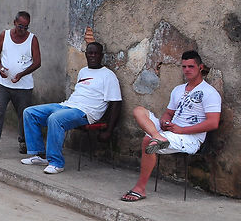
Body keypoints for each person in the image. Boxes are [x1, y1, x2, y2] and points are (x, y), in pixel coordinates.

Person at [120, 50, 221, 202]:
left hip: (190, 138)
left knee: (148, 142)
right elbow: (168, 113)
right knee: (139, 110)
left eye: (191, 66)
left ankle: (140, 189)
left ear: (200, 67)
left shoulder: (209, 92)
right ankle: (157, 136)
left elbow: (213, 123)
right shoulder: (178, 90)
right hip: (169, 131)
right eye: (184, 66)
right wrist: (164, 122)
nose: (187, 70)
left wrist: (182, 130)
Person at [21, 41, 121, 174]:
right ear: (86, 55)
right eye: (90, 53)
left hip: (86, 112)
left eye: (96, 53)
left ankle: (56, 163)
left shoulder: (108, 75)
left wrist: (109, 130)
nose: (92, 56)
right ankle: (39, 155)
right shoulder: (83, 71)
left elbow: (116, 103)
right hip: (67, 106)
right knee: (29, 112)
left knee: (55, 119)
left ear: (101, 55)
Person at [0, 11, 41, 155]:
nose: (23, 30)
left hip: (23, 86)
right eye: (20, 26)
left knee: (24, 115)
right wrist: (0, 67)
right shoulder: (4, 35)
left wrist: (21, 74)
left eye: (26, 27)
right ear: (14, 23)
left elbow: (37, 62)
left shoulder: (32, 39)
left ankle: (24, 142)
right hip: (3, 84)